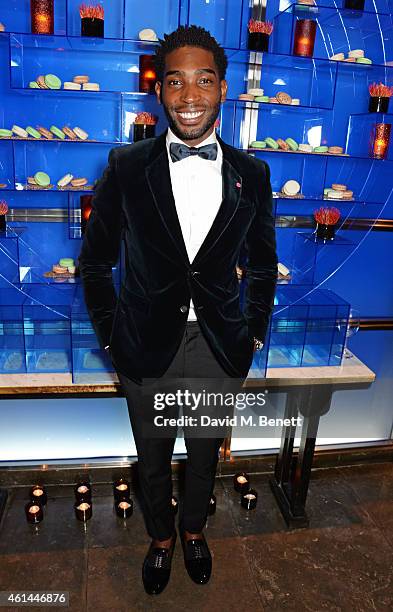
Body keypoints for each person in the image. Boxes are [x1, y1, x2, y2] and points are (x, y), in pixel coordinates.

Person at [78, 24, 278, 595]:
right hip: (145, 344)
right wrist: (112, 339)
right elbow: (93, 264)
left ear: (222, 89)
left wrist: (253, 334)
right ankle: (161, 538)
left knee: (206, 455)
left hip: (219, 346)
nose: (190, 95)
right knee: (152, 459)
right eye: (176, 81)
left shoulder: (253, 173)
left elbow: (263, 265)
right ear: (159, 91)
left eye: (204, 81)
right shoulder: (125, 166)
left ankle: (194, 530)